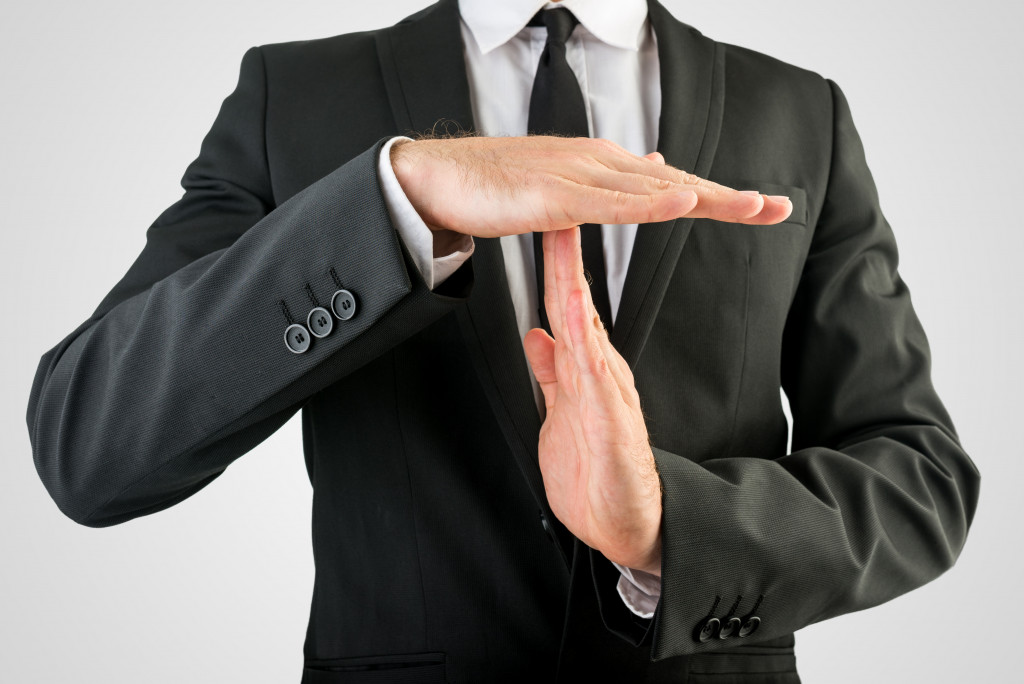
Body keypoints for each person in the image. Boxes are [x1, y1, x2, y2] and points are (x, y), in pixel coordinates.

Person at [26, 0, 980, 681]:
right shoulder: (294, 94)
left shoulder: (801, 113)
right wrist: (395, 206)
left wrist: (665, 531)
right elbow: (87, 443)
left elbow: (921, 479)